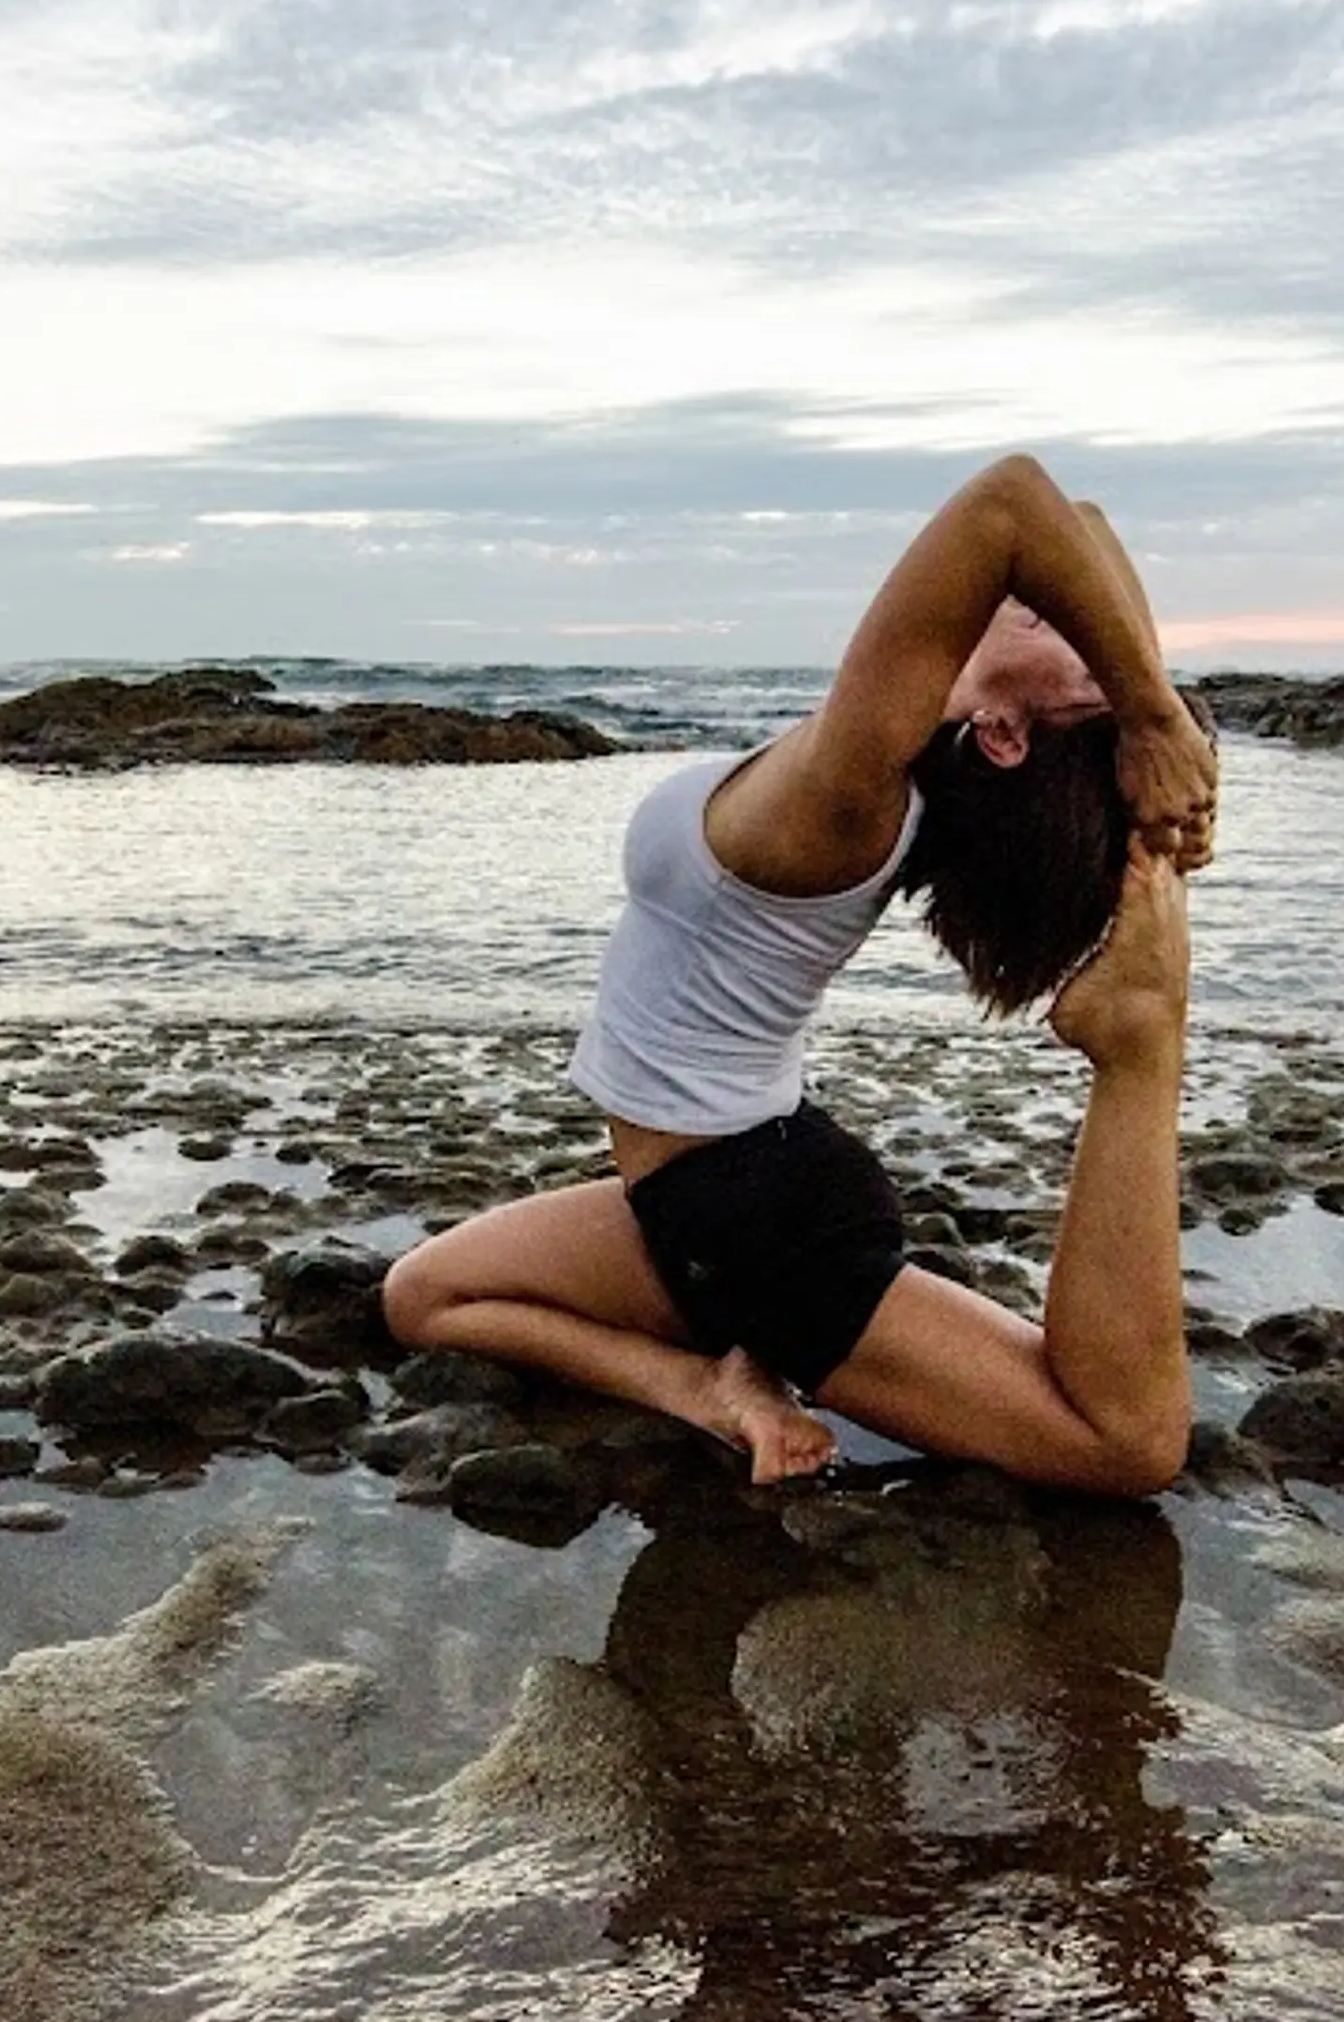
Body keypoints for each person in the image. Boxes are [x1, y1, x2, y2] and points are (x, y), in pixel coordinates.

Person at [382, 453, 1216, 1498]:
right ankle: (711, 1382)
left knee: (1122, 1441)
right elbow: (1079, 524)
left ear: (1003, 732)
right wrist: (1147, 734)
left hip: (760, 1230)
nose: (1047, 605)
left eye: (1050, 632)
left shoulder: (847, 802)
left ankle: (1140, 1039)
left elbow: (1016, 506)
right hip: (703, 1197)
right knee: (423, 1293)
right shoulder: (880, 780)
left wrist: (1151, 716)